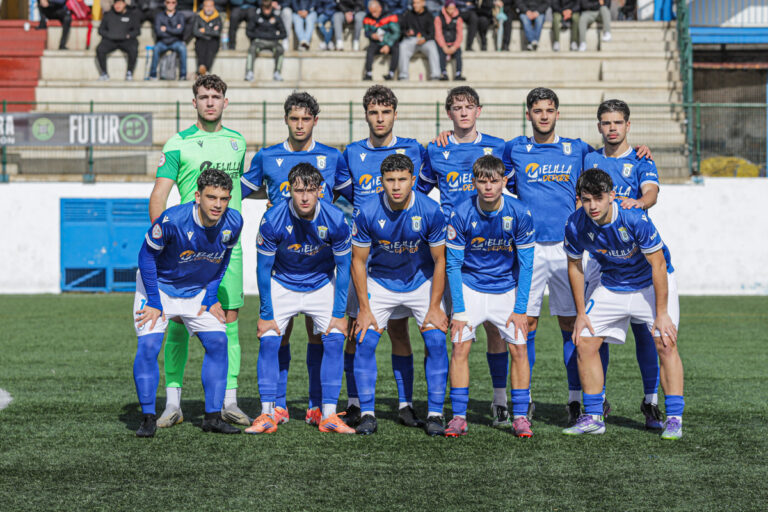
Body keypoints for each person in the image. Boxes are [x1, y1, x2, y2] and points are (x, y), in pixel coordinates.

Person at [502, 87, 652, 426]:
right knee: (526, 324)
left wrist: (641, 152)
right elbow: (479, 155)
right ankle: (524, 400)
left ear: (558, 114)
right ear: (528, 114)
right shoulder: (514, 148)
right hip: (527, 248)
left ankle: (576, 399)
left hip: (567, 248)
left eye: (549, 110)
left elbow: (610, 158)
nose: (543, 116)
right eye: (537, 110)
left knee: (574, 325)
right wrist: (445, 137)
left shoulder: (578, 150)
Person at [148, 75, 249, 428]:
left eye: (215, 96)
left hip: (226, 250)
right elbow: (159, 196)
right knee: (177, 320)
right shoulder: (178, 144)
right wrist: (164, 243)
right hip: (186, 252)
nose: (209, 102)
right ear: (194, 102)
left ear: (225, 102)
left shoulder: (238, 142)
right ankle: (172, 404)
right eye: (203, 97)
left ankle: (228, 402)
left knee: (229, 320)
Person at [241, 91, 347, 427]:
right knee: (279, 334)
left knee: (320, 337)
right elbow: (236, 193)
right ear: (285, 119)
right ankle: (278, 406)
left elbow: (354, 196)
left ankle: (317, 406)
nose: (300, 125)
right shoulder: (267, 156)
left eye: (306, 119)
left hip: (320, 265)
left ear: (315, 120)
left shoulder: (333, 157)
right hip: (282, 260)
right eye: (294, 119)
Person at [562, 168, 684, 440]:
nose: (592, 206)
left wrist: (661, 313)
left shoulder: (634, 218)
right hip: (612, 284)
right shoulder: (575, 224)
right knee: (584, 340)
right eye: (586, 199)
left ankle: (675, 418)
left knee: (665, 342)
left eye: (598, 198)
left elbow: (658, 264)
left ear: (612, 195)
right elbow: (574, 266)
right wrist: (581, 313)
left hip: (650, 284)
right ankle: (594, 416)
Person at [419, 86, 514, 427]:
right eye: (457, 107)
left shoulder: (498, 147)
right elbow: (419, 191)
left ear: (478, 111)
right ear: (449, 113)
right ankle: (442, 406)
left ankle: (500, 399)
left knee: (494, 329)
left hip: (489, 247)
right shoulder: (436, 149)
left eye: (469, 107)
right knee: (447, 327)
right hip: (450, 249)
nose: (463, 113)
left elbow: (513, 188)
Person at [333, 86, 427, 429]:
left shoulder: (414, 150)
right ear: (366, 115)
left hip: (402, 257)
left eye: (386, 112)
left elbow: (423, 191)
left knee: (400, 330)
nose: (380, 118)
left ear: (395, 114)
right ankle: (356, 404)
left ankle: (405, 404)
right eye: (373, 112)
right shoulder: (351, 153)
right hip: (362, 257)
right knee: (355, 332)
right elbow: (342, 195)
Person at [132, 168, 243, 438]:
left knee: (218, 342)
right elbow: (146, 257)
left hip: (196, 291)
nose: (218, 205)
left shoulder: (234, 221)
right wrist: (154, 301)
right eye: (211, 197)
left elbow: (223, 260)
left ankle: (213, 417)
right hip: (158, 288)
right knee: (149, 346)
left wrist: (211, 295)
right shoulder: (172, 220)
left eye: (224, 198)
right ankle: (148, 418)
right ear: (197, 196)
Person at [248, 163, 354, 435]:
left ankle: (327, 414)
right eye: (298, 191)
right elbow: (262, 269)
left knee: (335, 338)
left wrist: (339, 313)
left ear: (321, 190)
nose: (304, 197)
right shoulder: (273, 219)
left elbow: (344, 268)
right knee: (269, 338)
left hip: (321, 283)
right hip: (283, 282)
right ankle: (268, 413)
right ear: (289, 191)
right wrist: (265, 313)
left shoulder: (336, 219)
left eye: (310, 190)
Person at [351, 153, 449, 436]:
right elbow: (358, 261)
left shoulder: (430, 210)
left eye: (402, 180)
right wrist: (364, 309)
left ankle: (434, 414)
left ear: (413, 180)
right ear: (381, 181)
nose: (396, 186)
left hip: (421, 282)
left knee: (436, 341)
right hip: (381, 282)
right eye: (390, 180)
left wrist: (435, 306)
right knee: (364, 341)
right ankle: (367, 413)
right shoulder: (367, 211)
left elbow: (440, 260)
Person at [583, 99, 664, 430]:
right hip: (600, 258)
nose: (612, 128)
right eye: (606, 123)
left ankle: (651, 402)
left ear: (628, 125)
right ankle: (598, 400)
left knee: (646, 332)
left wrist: (639, 202)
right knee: (595, 333)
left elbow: (652, 193)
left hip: (637, 255)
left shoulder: (641, 158)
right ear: (599, 126)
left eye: (617, 122)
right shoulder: (589, 158)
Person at [444, 155, 535, 438]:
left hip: (505, 288)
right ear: (473, 182)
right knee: (460, 347)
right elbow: (453, 265)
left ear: (504, 181)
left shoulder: (520, 213)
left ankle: (520, 416)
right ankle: (459, 417)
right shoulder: (460, 213)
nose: (488, 187)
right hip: (470, 287)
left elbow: (527, 264)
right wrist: (459, 310)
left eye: (494, 181)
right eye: (482, 181)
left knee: (519, 348)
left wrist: (521, 309)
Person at [96, 0, 140, 81]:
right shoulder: (108, 14)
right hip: (111, 40)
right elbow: (100, 30)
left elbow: (137, 31)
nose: (117, 6)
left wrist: (129, 35)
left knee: (134, 49)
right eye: (116, 3)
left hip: (126, 41)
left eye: (120, 3)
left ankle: (129, 72)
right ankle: (104, 73)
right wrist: (109, 35)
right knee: (100, 49)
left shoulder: (132, 14)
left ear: (124, 4)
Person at [398, 0, 441, 81]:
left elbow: (432, 33)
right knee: (403, 46)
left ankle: (435, 75)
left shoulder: (429, 15)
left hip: (425, 40)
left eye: (417, 3)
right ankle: (403, 75)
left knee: (432, 47)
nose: (415, 5)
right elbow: (402, 30)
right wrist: (407, 33)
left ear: (423, 3)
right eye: (414, 3)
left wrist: (425, 39)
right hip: (411, 40)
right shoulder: (408, 14)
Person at [244, 0, 287, 82]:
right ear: (262, 7)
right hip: (259, 41)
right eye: (265, 8)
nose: (267, 11)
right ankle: (249, 72)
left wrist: (274, 36)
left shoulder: (276, 18)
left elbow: (284, 34)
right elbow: (248, 32)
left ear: (271, 7)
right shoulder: (256, 17)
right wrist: (259, 35)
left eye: (268, 8)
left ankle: (277, 72)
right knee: (252, 48)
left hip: (273, 42)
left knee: (280, 49)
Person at [148, 0, 187, 80]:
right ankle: (153, 75)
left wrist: (166, 29)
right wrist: (174, 30)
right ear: (165, 3)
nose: (170, 4)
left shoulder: (180, 15)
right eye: (168, 2)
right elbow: (158, 33)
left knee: (183, 49)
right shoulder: (159, 16)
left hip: (176, 42)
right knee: (156, 49)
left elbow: (180, 31)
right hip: (163, 42)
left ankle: (183, 75)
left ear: (176, 3)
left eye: (173, 2)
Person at [362, 0, 400, 81]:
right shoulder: (367, 17)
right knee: (370, 49)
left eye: (375, 12)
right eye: (371, 12)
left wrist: (388, 44)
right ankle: (368, 73)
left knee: (396, 48)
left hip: (389, 41)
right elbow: (366, 32)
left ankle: (391, 73)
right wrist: (371, 35)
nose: (373, 14)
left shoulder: (390, 16)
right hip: (377, 42)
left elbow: (396, 33)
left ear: (380, 8)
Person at [434, 0, 464, 81]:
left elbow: (460, 35)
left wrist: (455, 46)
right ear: (446, 8)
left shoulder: (458, 18)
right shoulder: (439, 18)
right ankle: (443, 73)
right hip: (443, 44)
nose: (451, 10)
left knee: (458, 54)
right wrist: (444, 46)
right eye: (450, 8)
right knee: (441, 54)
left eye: (453, 8)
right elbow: (438, 34)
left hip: (453, 44)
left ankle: (458, 73)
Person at [192, 0, 223, 75]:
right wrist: (211, 31)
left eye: (210, 6)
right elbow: (195, 32)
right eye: (207, 6)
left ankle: (205, 70)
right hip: (201, 40)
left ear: (214, 7)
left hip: (213, 40)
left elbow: (217, 33)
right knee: (200, 47)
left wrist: (204, 31)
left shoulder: (217, 17)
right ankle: (202, 67)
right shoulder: (198, 17)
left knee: (211, 49)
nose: (209, 8)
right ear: (203, 7)